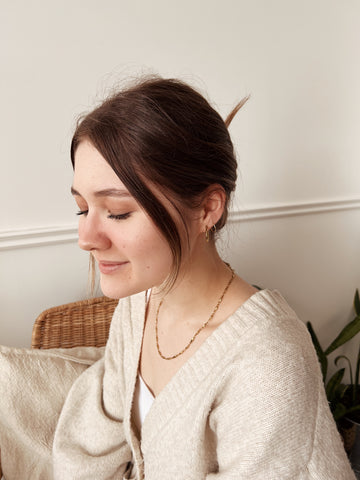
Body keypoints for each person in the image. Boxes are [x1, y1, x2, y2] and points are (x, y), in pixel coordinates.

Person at [52, 76, 355, 479]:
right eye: (81, 209)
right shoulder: (139, 301)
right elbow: (88, 445)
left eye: (118, 212)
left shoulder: (268, 363)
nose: (86, 239)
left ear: (207, 209)